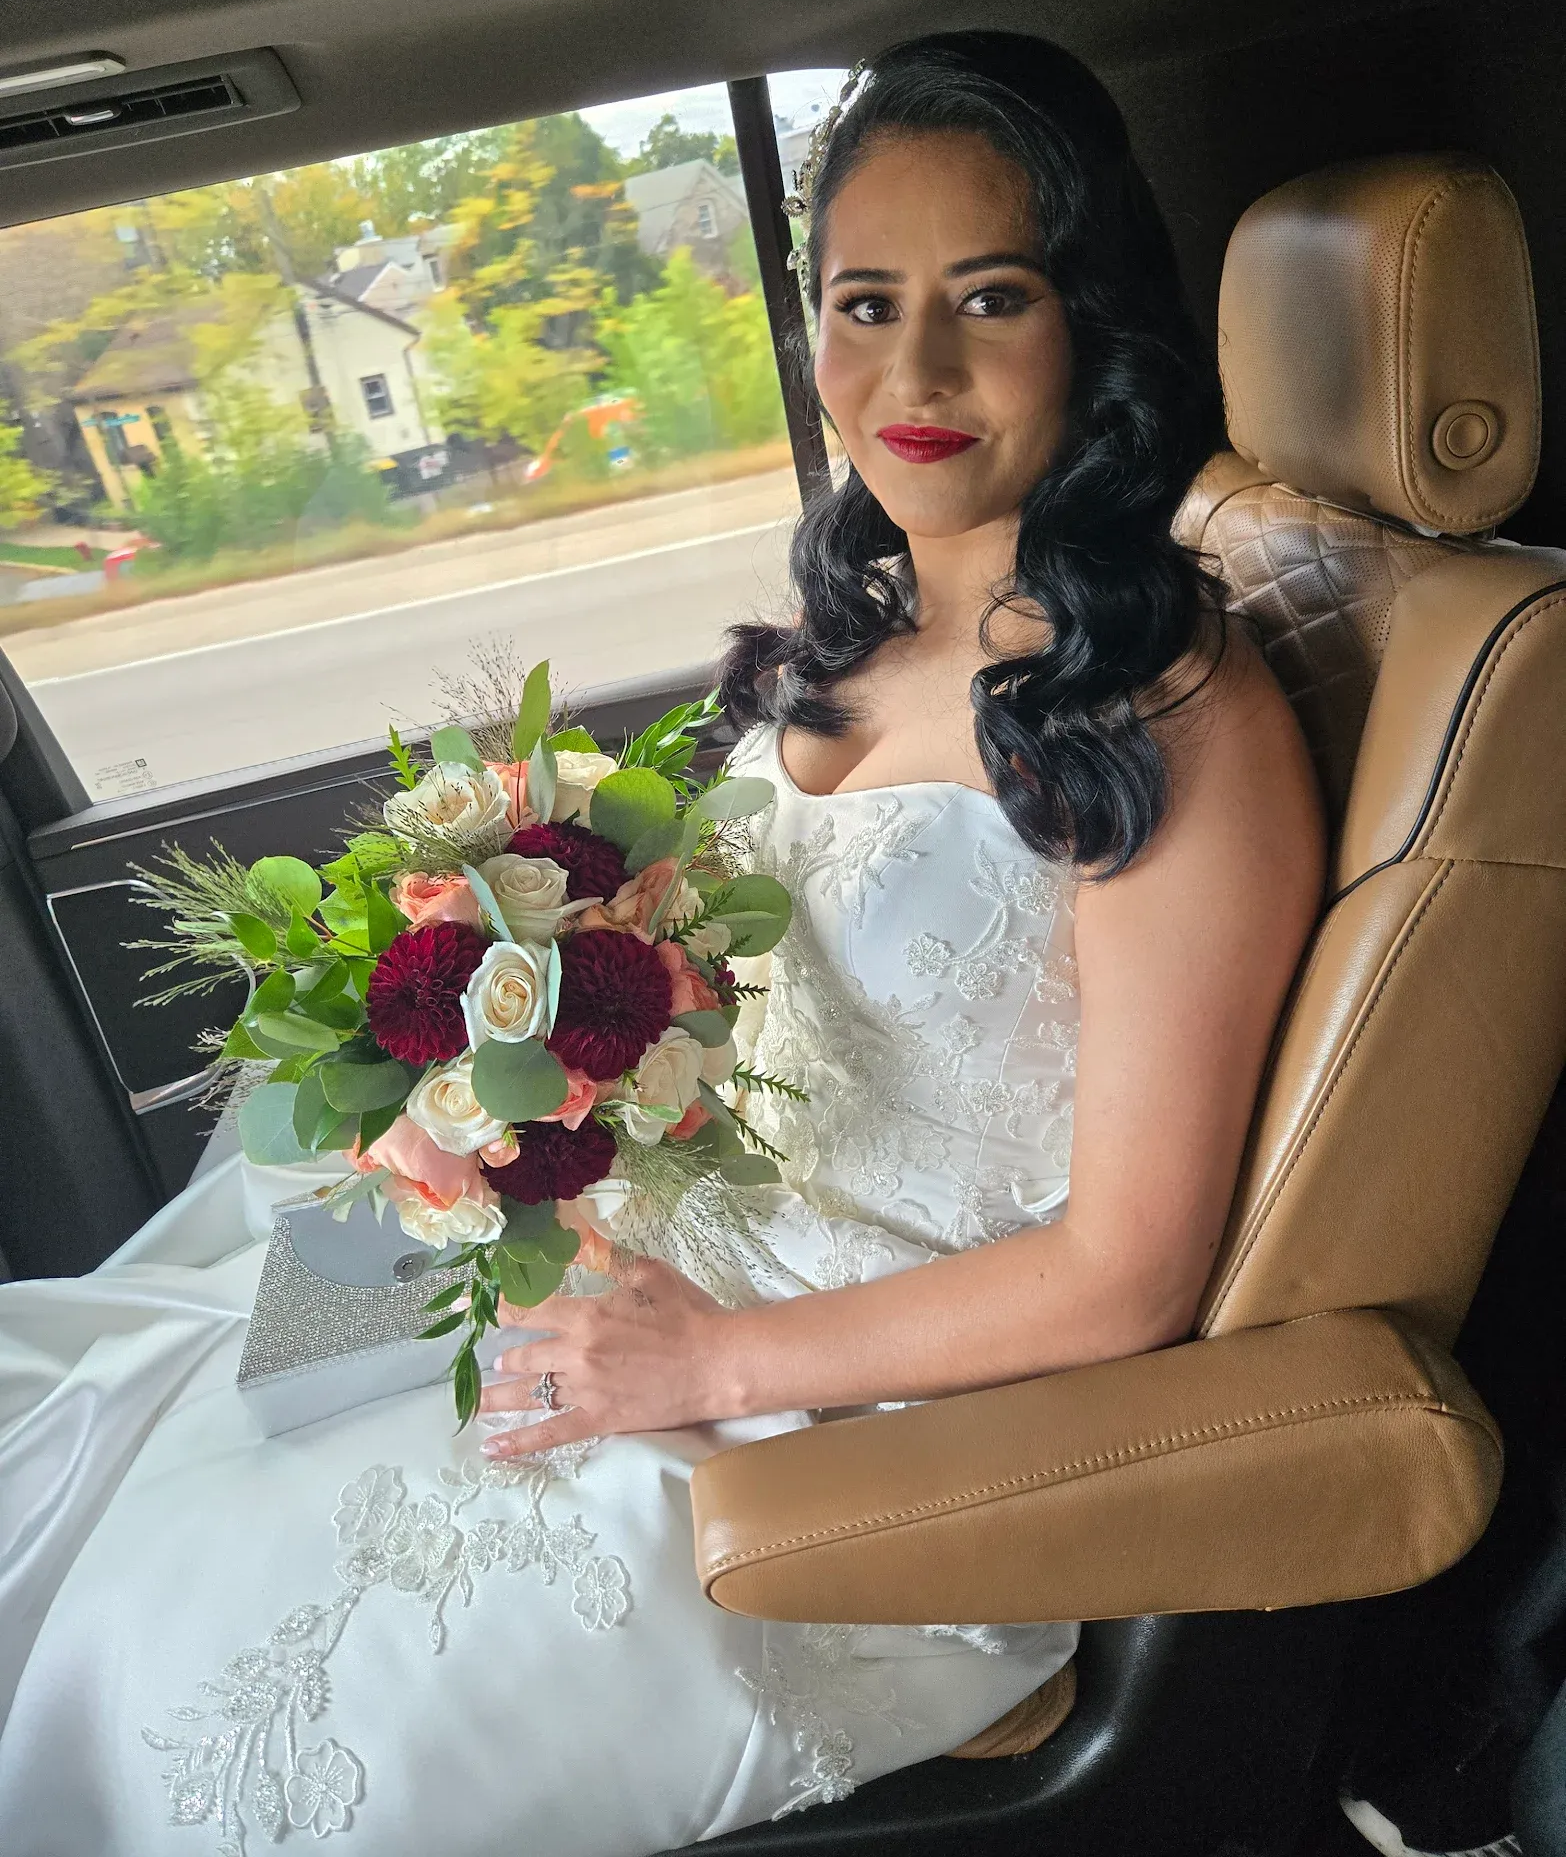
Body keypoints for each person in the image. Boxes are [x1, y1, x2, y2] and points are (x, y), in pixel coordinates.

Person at [0, 29, 1323, 1856]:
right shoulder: (851, 639)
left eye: (989, 297)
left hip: (856, 1410)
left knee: (195, 1674)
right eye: (864, 304)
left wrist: (703, 1372)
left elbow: (1127, 1271)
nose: (911, 370)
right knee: (135, 1428)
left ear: (1093, 322)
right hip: (656, 1259)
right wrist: (486, 1111)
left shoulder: (1160, 707)